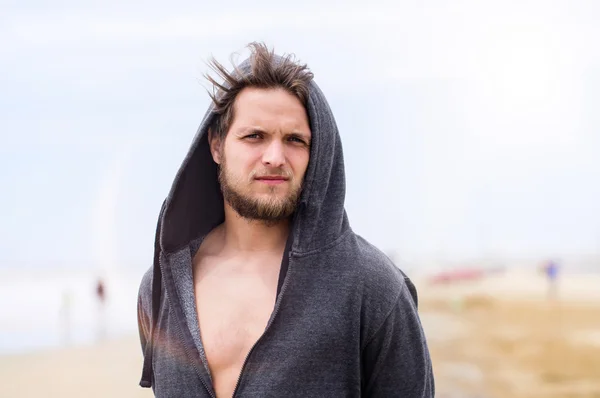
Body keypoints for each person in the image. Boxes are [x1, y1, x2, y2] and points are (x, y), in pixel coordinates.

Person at [137, 42, 434, 397]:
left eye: (295, 140)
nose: (275, 157)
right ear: (217, 145)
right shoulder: (161, 289)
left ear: (317, 153)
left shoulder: (373, 290)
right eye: (254, 136)